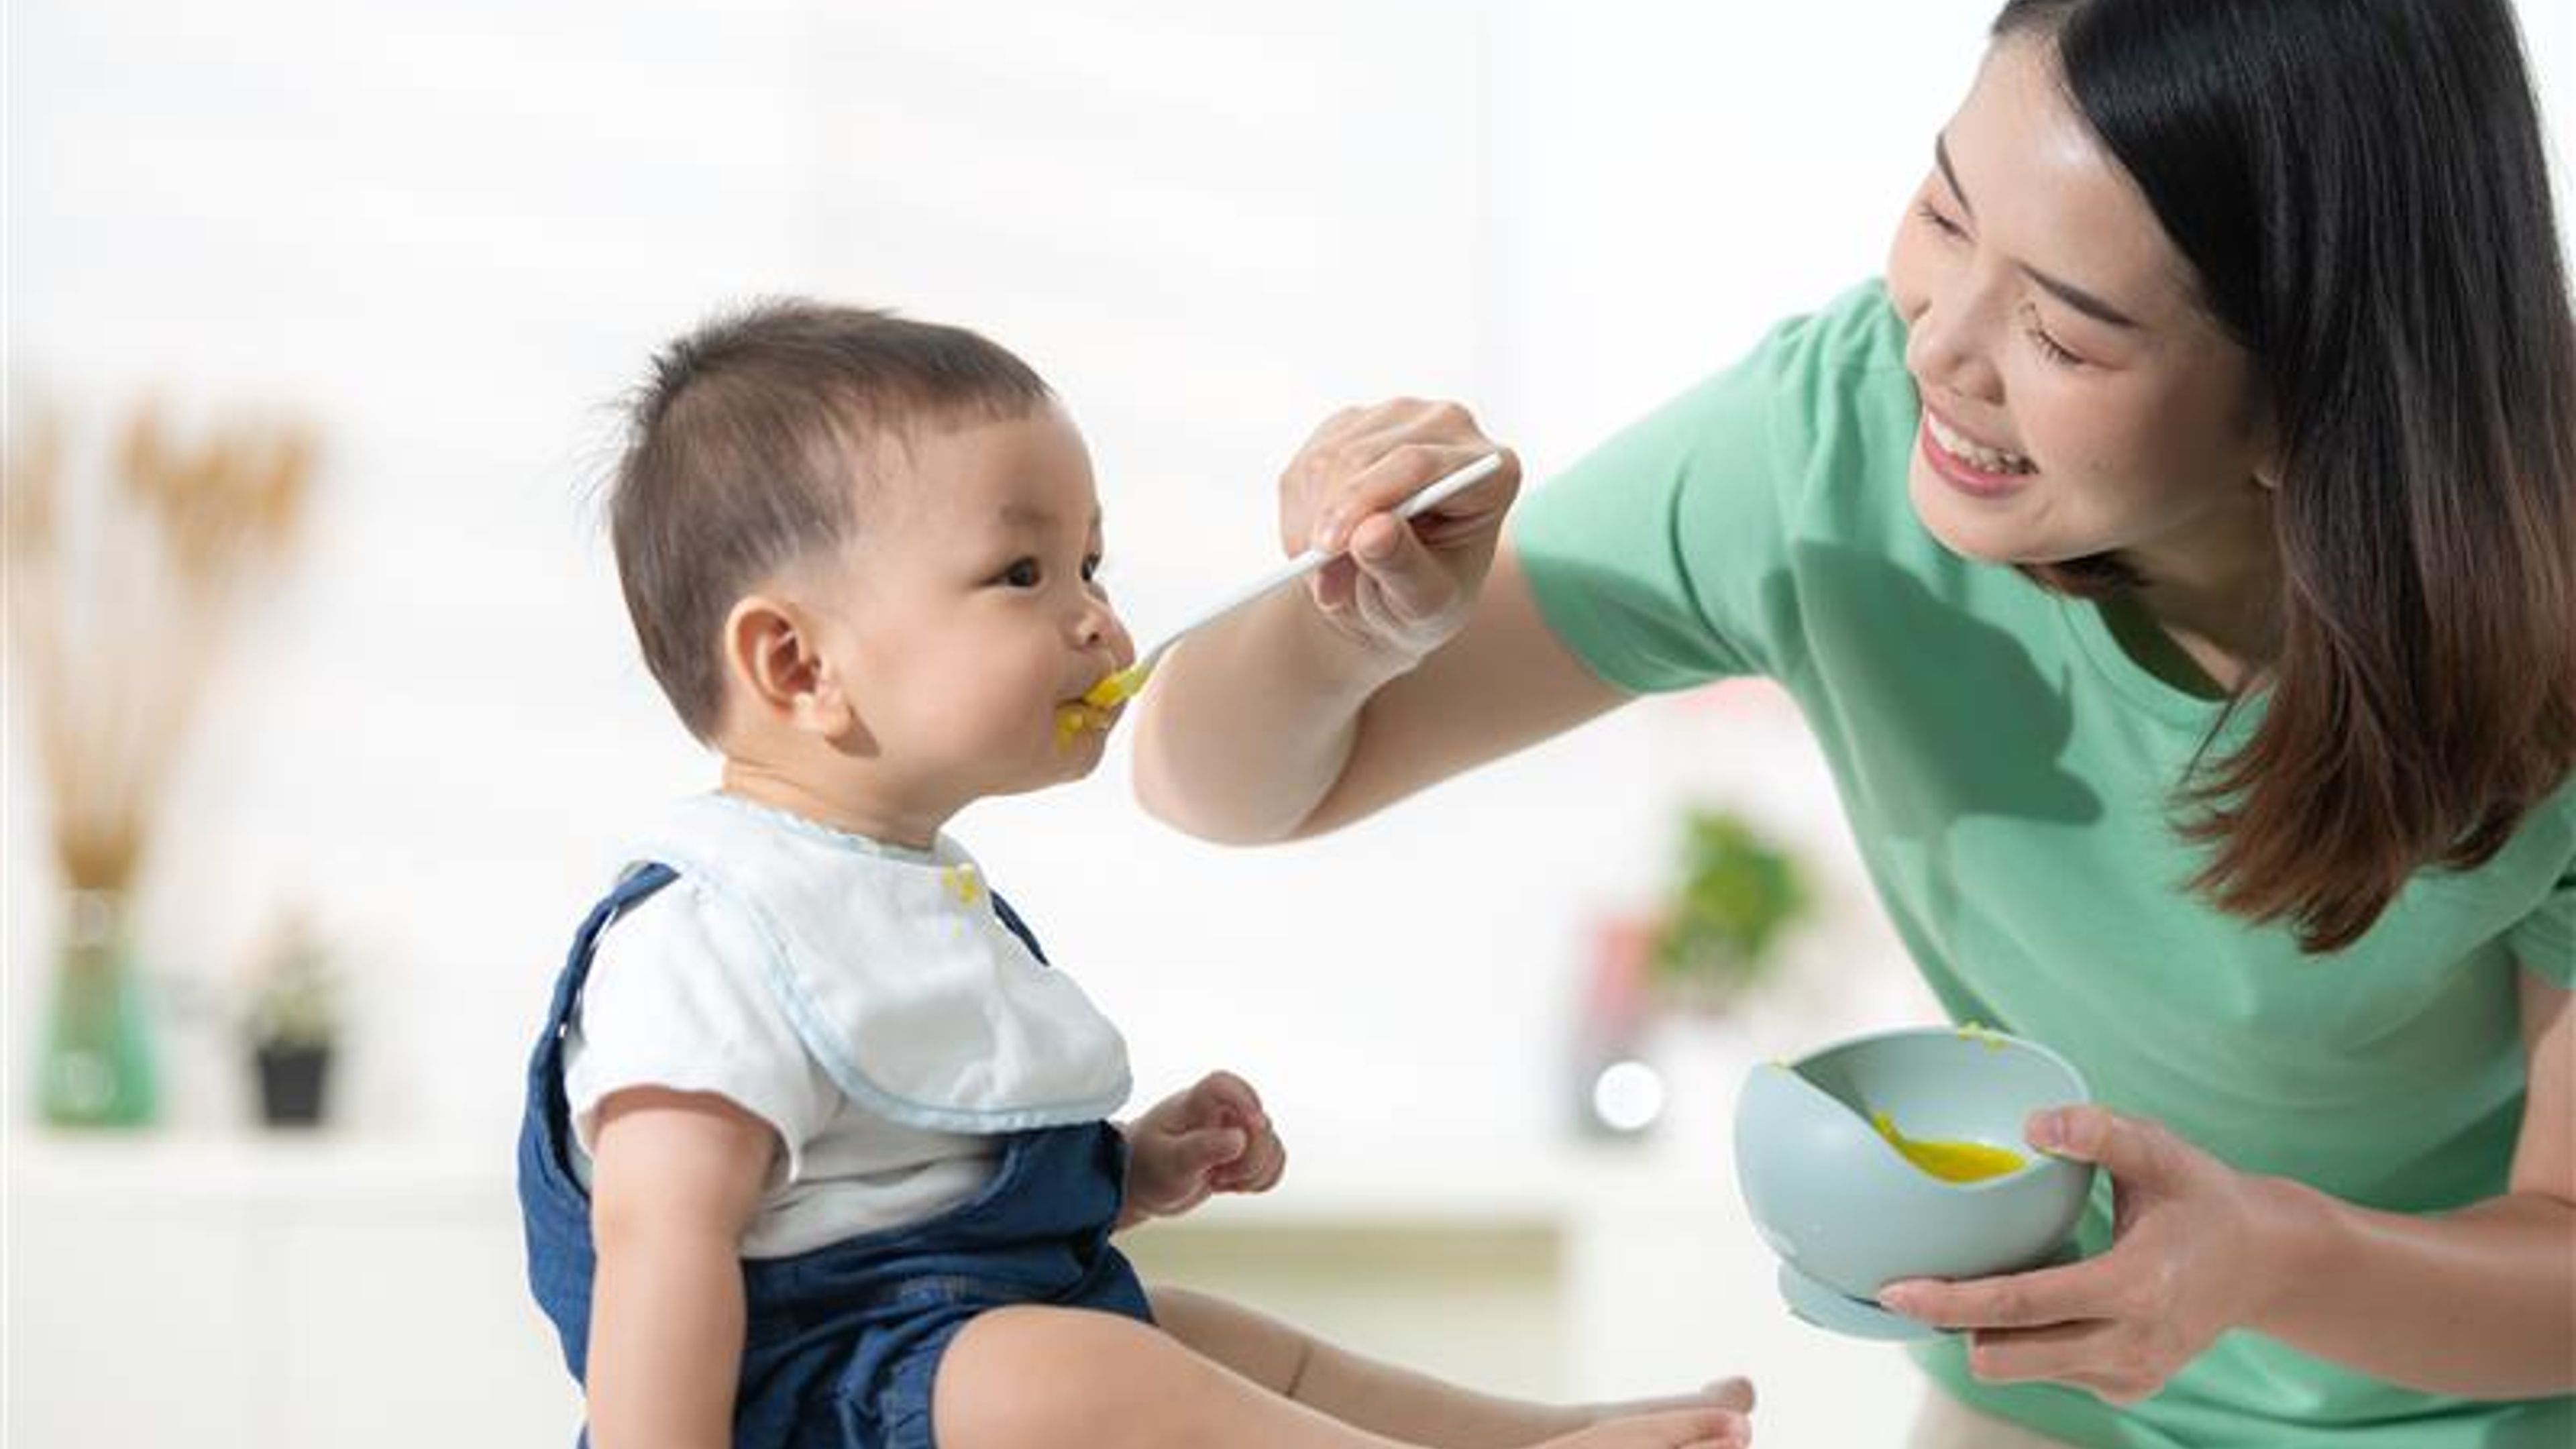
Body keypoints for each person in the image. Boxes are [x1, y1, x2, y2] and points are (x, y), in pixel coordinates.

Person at [1130, 1, 2576, 1446]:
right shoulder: (1833, 451)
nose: (1941, 347)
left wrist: (2264, 1261)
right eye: (1945, 215)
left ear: (2308, 397)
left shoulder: (2545, 633)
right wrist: (1338, 627)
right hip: (2040, 1395)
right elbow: (1225, 789)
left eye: (2062, 333)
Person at [511, 301, 1756, 1449]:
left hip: (955, 1356)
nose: (1100, 620)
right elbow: (660, 1249)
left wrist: (1127, 1169)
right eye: (1023, 574)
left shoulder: (909, 896)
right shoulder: (714, 936)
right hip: (808, 1409)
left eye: (1092, 566)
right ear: (796, 665)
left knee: (1216, 1342)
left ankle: (1528, 1434)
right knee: (1092, 1374)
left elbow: (916, 1191)